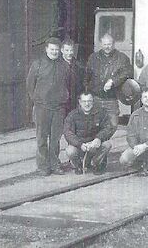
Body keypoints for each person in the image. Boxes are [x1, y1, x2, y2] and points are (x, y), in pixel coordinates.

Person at [26, 37, 70, 176]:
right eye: (52, 49)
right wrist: (37, 100)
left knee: (56, 138)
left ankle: (55, 164)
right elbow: (29, 84)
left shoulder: (64, 65)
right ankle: (43, 166)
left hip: (58, 108)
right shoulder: (37, 64)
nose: (54, 52)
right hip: (42, 108)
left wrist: (64, 98)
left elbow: (69, 84)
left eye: (57, 50)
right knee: (42, 137)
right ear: (46, 49)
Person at [85, 33, 132, 128]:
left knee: (112, 127)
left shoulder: (122, 58)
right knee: (94, 128)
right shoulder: (93, 58)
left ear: (114, 44)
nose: (107, 47)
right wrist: (88, 93)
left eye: (109, 44)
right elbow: (86, 77)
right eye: (105, 44)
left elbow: (127, 72)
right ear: (101, 44)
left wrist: (113, 81)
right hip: (96, 99)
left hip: (112, 100)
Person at [64, 92, 115, 175]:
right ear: (80, 102)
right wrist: (80, 144)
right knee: (70, 150)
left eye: (89, 101)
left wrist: (98, 138)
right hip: (80, 146)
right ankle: (79, 166)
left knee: (107, 144)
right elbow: (68, 133)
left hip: (94, 146)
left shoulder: (100, 113)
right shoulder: (72, 115)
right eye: (84, 101)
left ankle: (96, 164)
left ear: (93, 101)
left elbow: (108, 128)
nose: (87, 104)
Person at [61, 39, 85, 114]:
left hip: (74, 103)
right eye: (67, 50)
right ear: (62, 50)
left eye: (71, 50)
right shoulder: (56, 65)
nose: (69, 53)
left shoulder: (79, 66)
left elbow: (82, 84)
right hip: (61, 105)